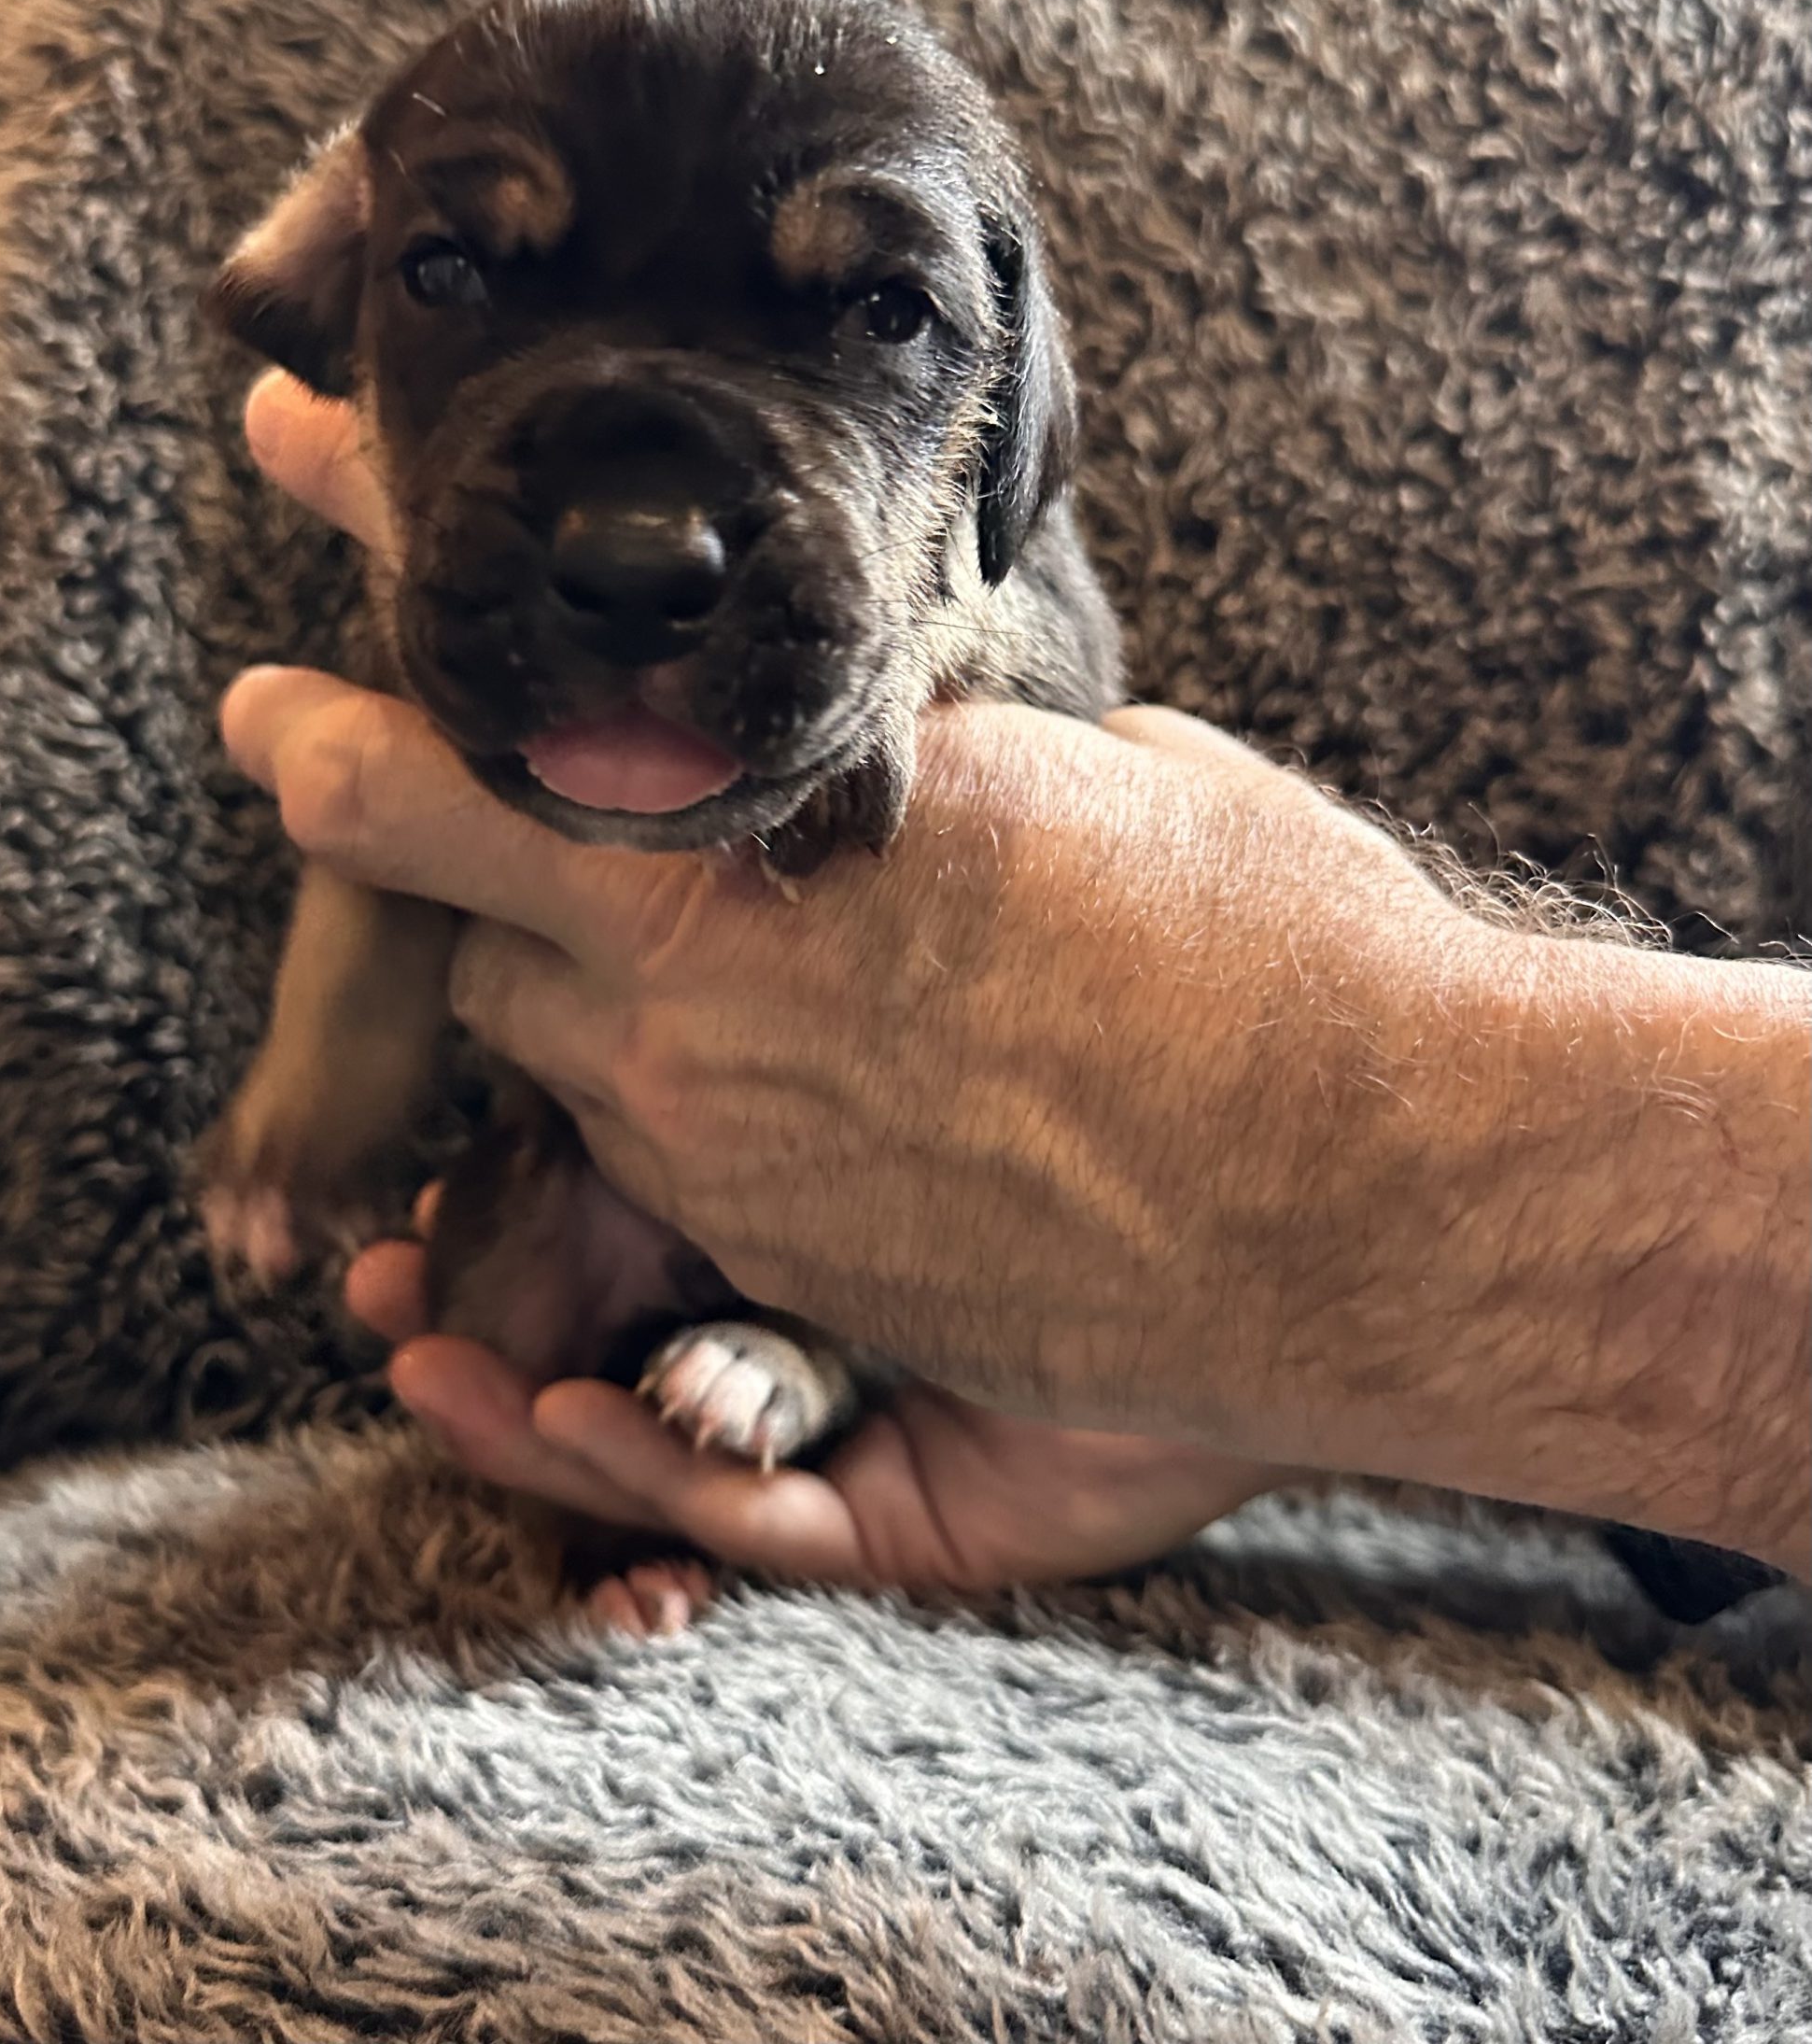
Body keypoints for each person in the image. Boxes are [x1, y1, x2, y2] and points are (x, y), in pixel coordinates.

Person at [219, 374, 1811, 1632]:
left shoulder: (969, 520)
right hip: (612, 1193)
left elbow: (1060, 678)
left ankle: (804, 1363)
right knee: (505, 1331)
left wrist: (1330, 1145)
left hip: (887, 1303)